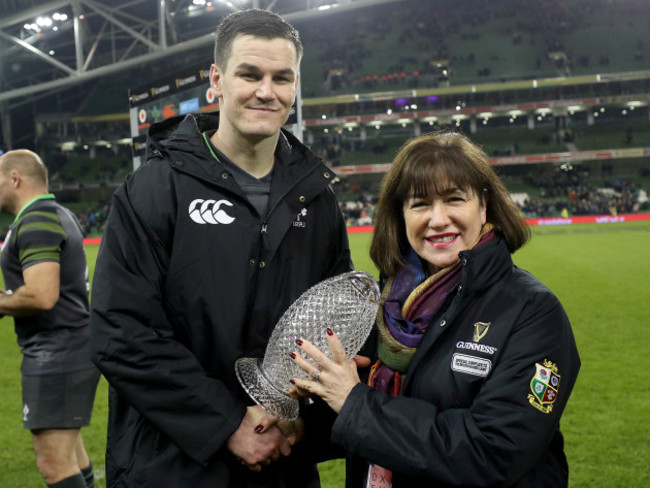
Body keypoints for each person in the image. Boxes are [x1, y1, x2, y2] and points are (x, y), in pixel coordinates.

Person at [89, 8, 351, 488]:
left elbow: (333, 329)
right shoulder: (152, 189)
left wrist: (297, 418)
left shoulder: (319, 199)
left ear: (295, 87)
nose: (265, 91)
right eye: (249, 74)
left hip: (282, 463)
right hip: (171, 467)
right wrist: (226, 424)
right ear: (217, 79)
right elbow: (121, 331)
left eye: (281, 78)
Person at [289, 132, 581, 487]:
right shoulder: (386, 305)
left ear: (484, 204)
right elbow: (366, 418)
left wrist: (354, 401)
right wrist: (300, 425)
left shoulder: (532, 311)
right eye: (420, 203)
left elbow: (492, 452)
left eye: (454, 199)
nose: (438, 219)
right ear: (401, 214)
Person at [0, 149, 99, 488]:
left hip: (57, 354)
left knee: (53, 465)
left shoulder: (36, 220)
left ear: (15, 179)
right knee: (73, 456)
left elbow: (42, 294)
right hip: (71, 348)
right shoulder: (58, 213)